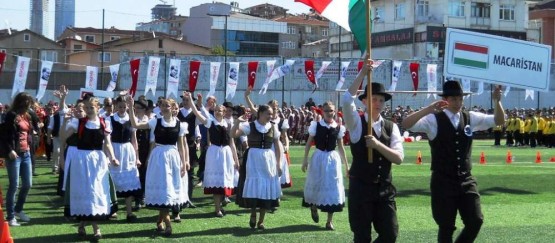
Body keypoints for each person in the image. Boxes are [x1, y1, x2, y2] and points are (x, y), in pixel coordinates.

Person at [402, 81, 505, 243]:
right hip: (442, 180)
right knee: (446, 226)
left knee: (476, 220)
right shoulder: (433, 119)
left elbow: (499, 120)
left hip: (466, 179)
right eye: (454, 99)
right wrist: (428, 109)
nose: (458, 103)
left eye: (460, 99)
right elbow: (407, 124)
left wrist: (497, 101)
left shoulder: (470, 117)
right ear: (446, 100)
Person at [342, 61, 404, 243]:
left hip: (385, 190)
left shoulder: (391, 127)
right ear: (364, 101)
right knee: (362, 237)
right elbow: (346, 100)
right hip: (361, 190)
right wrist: (362, 73)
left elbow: (398, 158)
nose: (377, 103)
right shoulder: (355, 123)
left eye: (381, 100)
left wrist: (377, 145)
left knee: (390, 234)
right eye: (373, 99)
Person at [127, 96, 189, 237]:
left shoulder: (180, 125)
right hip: (159, 157)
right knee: (164, 189)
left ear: (173, 108)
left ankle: (160, 221)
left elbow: (181, 146)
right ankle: (168, 224)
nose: (164, 108)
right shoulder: (155, 121)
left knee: (169, 190)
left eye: (167, 105)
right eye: (162, 105)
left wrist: (184, 162)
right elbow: (136, 124)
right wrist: (131, 107)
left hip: (173, 157)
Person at [62, 96, 120, 240]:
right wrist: (65, 122)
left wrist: (112, 157)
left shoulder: (103, 123)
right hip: (81, 160)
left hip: (98, 160)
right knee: (86, 190)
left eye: (91, 107)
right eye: (86, 107)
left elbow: (107, 143)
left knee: (95, 191)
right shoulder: (79, 122)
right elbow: (63, 137)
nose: (88, 110)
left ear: (97, 108)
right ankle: (96, 229)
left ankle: (82, 224)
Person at [184, 92, 239, 217]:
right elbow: (197, 113)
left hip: (226, 153)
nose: (218, 112)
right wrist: (194, 101)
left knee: (224, 180)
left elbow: (232, 143)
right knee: (216, 181)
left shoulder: (228, 124)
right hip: (214, 153)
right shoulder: (210, 122)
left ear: (224, 112)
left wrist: (236, 160)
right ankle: (217, 208)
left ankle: (221, 204)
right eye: (217, 110)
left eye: (220, 110)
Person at [232, 104, 282, 230]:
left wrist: (278, 163)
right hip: (253, 159)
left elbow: (277, 146)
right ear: (260, 113)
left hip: (268, 159)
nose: (270, 116)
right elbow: (233, 134)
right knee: (255, 187)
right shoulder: (250, 125)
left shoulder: (273, 127)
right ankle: (253, 213)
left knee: (265, 188)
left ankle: (261, 220)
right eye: (268, 114)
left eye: (271, 114)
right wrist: (238, 121)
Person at [301, 101, 349, 231]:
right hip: (318, 157)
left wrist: (346, 166)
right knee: (317, 183)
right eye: (326, 110)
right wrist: (305, 159)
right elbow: (309, 143)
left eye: (331, 110)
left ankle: (329, 221)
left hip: (333, 159)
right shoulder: (316, 125)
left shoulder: (338, 127)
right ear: (322, 111)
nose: (329, 113)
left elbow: (341, 147)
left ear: (334, 112)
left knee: (332, 186)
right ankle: (313, 206)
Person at [3, 92, 36, 226]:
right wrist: (10, 150)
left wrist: (34, 131)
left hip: (26, 153)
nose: (29, 105)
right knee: (14, 185)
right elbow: (5, 135)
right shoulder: (11, 115)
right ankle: (10, 216)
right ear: (22, 102)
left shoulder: (27, 115)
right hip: (14, 154)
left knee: (28, 184)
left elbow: (31, 129)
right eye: (27, 103)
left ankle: (18, 209)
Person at [109, 96, 142, 221]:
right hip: (115, 150)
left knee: (129, 182)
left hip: (128, 152)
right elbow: (108, 140)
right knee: (112, 181)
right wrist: (109, 156)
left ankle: (129, 212)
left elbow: (134, 140)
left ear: (127, 106)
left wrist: (137, 158)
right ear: (116, 106)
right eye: (120, 106)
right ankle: (112, 210)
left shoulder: (131, 120)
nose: (122, 109)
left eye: (124, 106)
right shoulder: (110, 119)